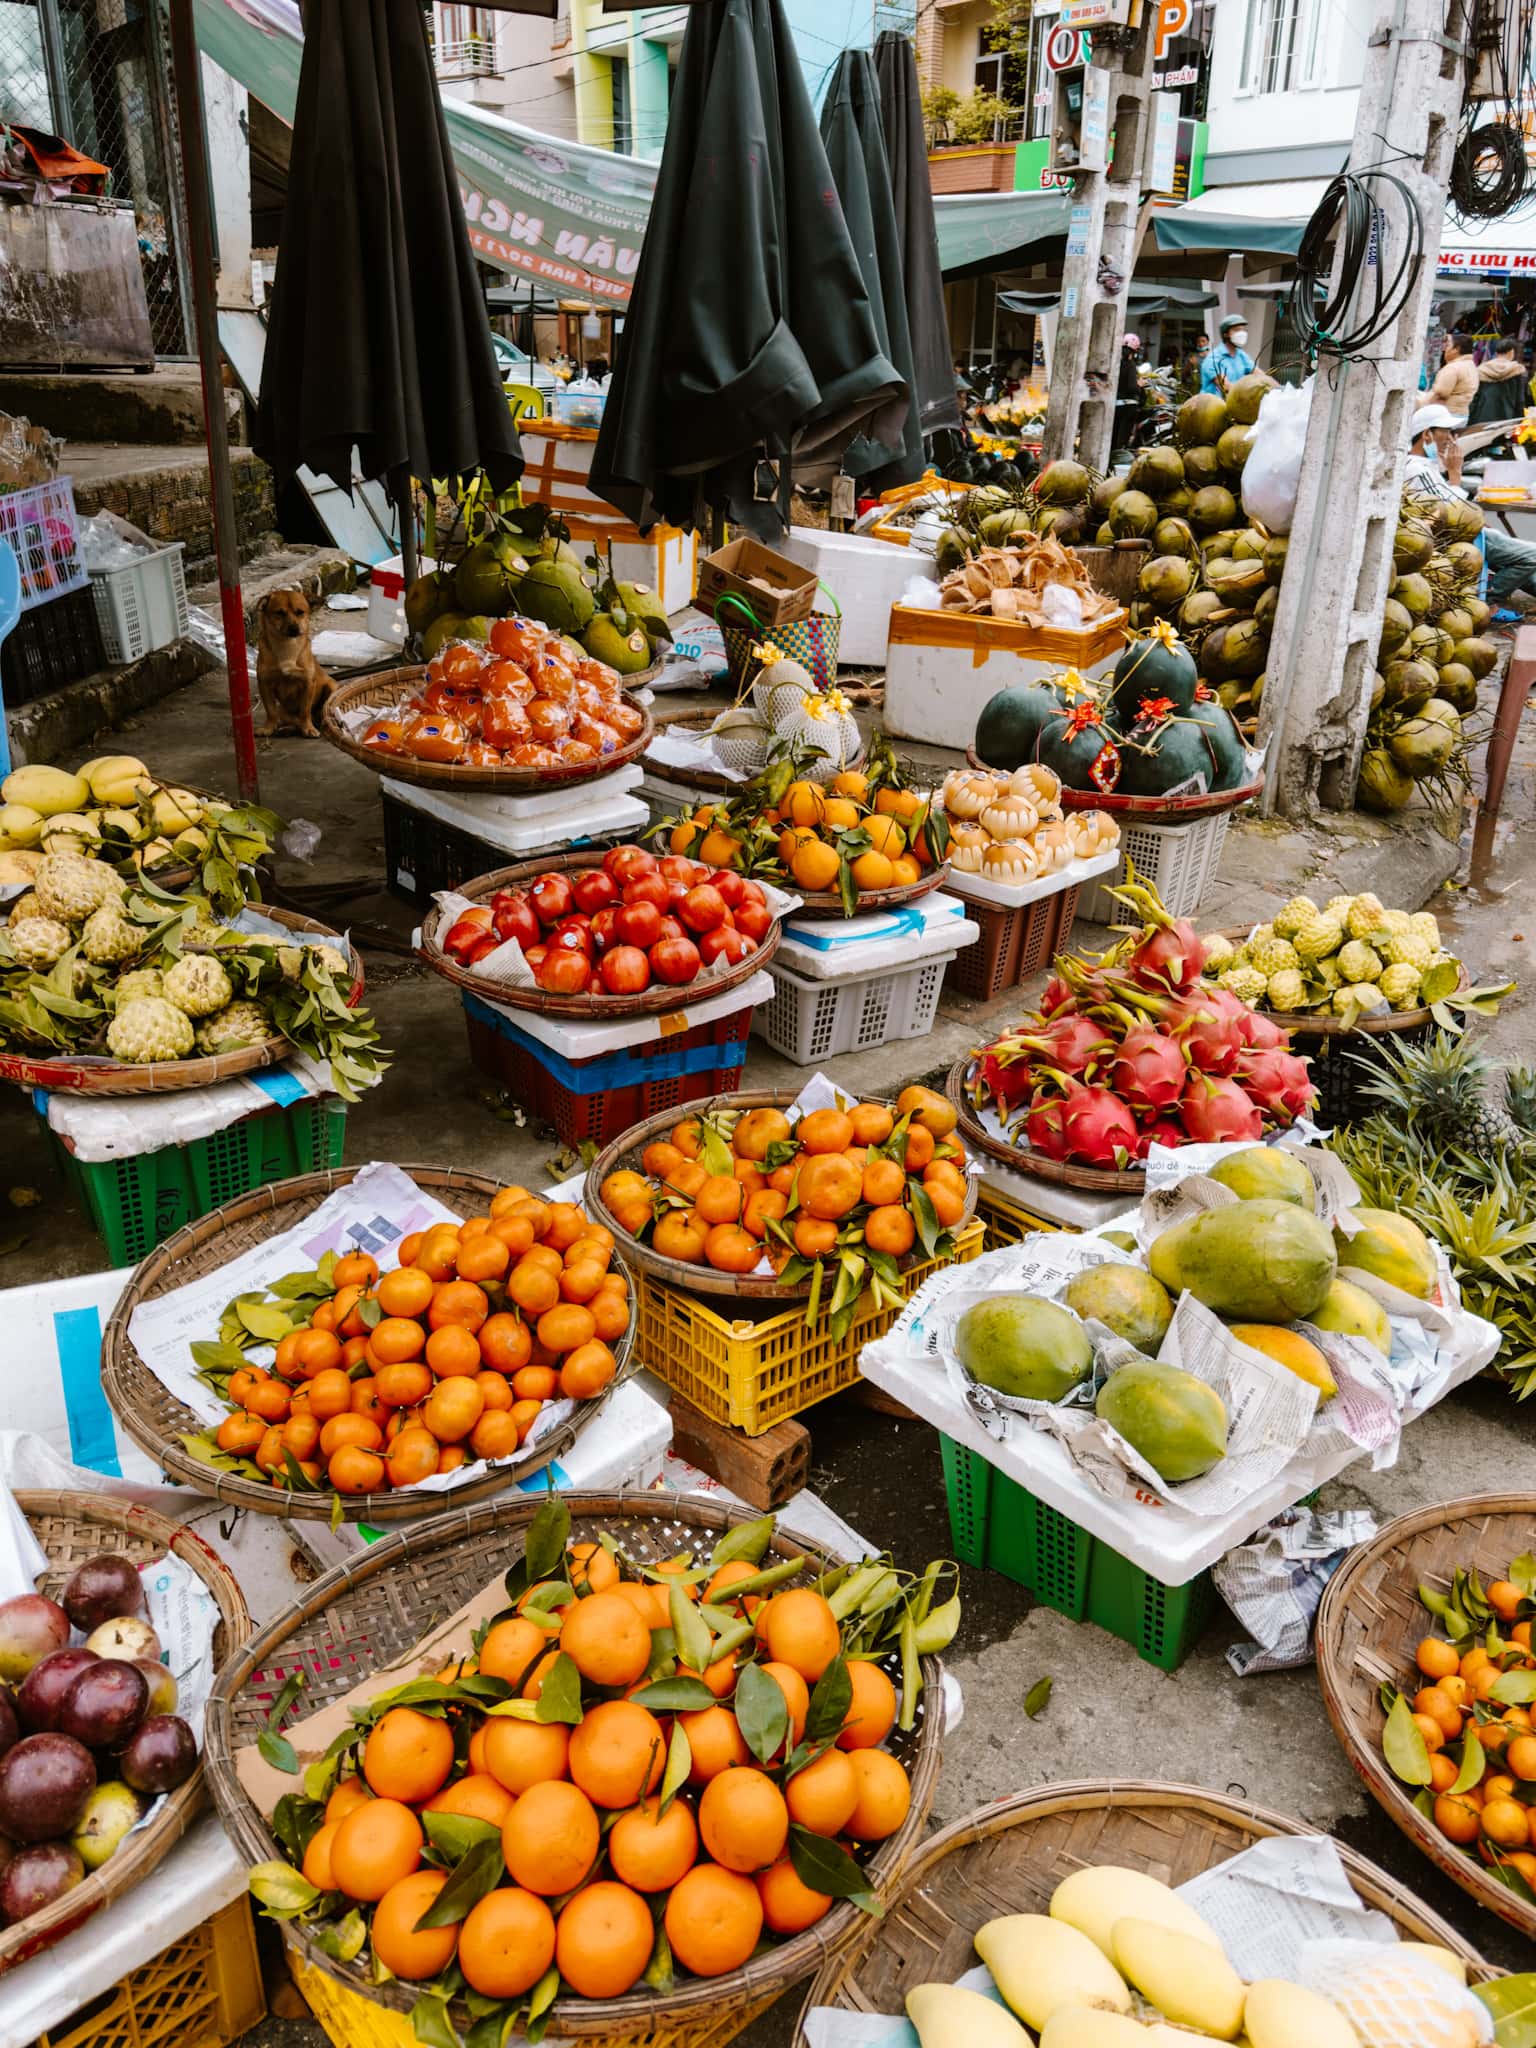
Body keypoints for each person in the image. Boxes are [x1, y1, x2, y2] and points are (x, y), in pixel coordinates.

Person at [1406, 404, 1536, 609]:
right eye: (1446, 432)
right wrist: (1455, 474)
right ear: (1427, 435)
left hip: (1470, 532)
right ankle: (1488, 601)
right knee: (1532, 556)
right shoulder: (1415, 469)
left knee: (1526, 568)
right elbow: (1452, 512)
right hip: (1458, 538)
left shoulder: (1425, 466)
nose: (1450, 439)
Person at [1428, 332, 1478, 484]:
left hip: (1445, 415)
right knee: (1444, 452)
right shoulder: (1471, 366)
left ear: (1456, 349)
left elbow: (1441, 393)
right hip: (1461, 415)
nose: (1444, 349)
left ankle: (1434, 484)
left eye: (1448, 345)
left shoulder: (1453, 368)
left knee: (1435, 455)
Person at [1468, 333, 1527, 427]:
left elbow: (1475, 397)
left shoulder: (1482, 369)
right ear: (1511, 352)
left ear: (1496, 352)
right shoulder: (1516, 370)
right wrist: (1520, 420)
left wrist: (1470, 419)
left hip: (1482, 416)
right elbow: (1519, 399)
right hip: (1506, 417)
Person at [1200, 315, 1253, 396]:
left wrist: (1275, 388)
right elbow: (1225, 386)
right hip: (1214, 406)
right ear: (1225, 334)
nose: (1242, 333)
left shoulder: (1241, 355)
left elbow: (1259, 374)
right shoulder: (1213, 359)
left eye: (1243, 330)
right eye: (1237, 330)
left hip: (1235, 403)